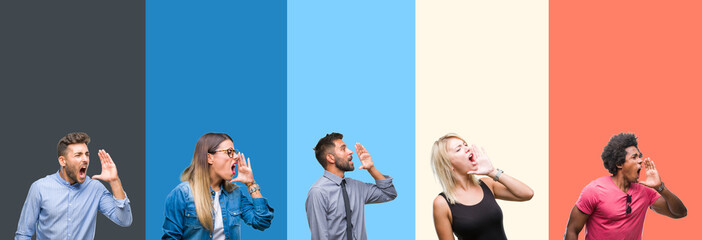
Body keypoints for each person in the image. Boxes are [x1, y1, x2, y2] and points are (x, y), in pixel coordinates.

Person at [564, 133, 687, 240]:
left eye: (639, 156)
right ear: (619, 163)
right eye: (634, 157)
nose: (640, 161)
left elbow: (680, 213)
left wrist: (660, 187)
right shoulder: (594, 191)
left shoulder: (645, 191)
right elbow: (572, 230)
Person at [15, 132, 132, 240]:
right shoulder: (39, 188)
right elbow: (23, 234)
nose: (85, 159)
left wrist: (114, 181)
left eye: (87, 154)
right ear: (62, 161)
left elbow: (124, 220)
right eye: (78, 155)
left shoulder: (95, 188)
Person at [162, 133, 273, 240]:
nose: (236, 157)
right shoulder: (183, 193)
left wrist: (250, 183)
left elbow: (262, 222)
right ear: (209, 158)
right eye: (229, 152)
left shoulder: (235, 194)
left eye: (234, 152)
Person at [431, 133, 534, 240]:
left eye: (465, 144)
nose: (467, 148)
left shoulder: (487, 184)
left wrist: (492, 171)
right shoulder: (442, 203)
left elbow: (527, 194)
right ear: (448, 165)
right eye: (458, 149)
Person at [306, 132, 397, 240]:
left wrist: (371, 168)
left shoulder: (357, 187)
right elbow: (319, 237)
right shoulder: (318, 192)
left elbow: (389, 193)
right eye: (343, 149)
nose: (350, 151)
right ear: (331, 158)